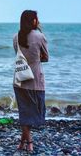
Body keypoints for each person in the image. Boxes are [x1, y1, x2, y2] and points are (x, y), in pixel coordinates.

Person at [13, 10, 49, 152]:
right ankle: (30, 143)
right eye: (36, 18)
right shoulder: (40, 36)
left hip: (20, 79)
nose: (38, 20)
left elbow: (19, 57)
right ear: (33, 21)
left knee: (25, 112)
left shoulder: (16, 37)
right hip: (36, 80)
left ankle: (22, 143)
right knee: (33, 113)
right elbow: (45, 57)